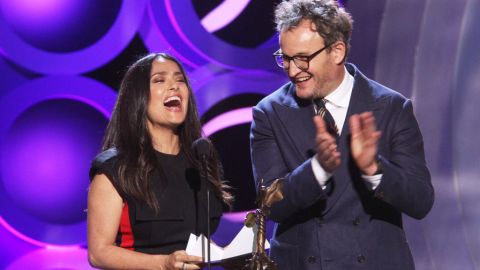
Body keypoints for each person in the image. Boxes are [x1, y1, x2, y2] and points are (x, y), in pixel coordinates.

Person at [250, 1, 434, 269]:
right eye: (285, 58)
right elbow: (271, 207)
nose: (291, 70)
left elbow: (421, 201)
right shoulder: (269, 113)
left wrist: (374, 168)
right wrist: (317, 169)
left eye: (302, 58)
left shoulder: (391, 107)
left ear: (337, 51)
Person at [87, 53, 233, 270]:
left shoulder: (201, 161)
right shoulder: (114, 169)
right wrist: (164, 263)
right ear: (138, 97)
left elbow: (195, 244)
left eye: (180, 80)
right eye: (160, 80)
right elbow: (99, 253)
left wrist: (231, 257)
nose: (174, 87)